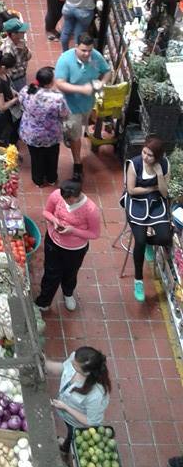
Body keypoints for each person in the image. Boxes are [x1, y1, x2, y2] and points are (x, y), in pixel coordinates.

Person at [35, 180, 101, 311]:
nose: (66, 203)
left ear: (77, 196)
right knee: (50, 273)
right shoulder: (57, 195)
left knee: (70, 273)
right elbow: (46, 212)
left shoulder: (91, 210)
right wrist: (54, 221)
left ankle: (68, 293)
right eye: (64, 199)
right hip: (53, 242)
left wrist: (73, 230)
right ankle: (44, 301)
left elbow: (94, 234)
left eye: (69, 200)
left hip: (75, 250)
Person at [54, 35, 111, 181]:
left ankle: (71, 135)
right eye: (83, 50)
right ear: (76, 47)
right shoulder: (65, 60)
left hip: (87, 104)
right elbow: (60, 83)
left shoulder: (96, 56)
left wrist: (102, 83)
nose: (87, 54)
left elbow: (107, 71)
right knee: (75, 136)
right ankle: (77, 164)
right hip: (70, 107)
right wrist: (81, 89)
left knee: (80, 127)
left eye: (89, 51)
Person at [124, 136, 172, 303]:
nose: (145, 157)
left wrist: (159, 174)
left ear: (157, 157)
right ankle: (138, 280)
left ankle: (147, 244)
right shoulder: (134, 164)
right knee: (140, 240)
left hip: (156, 203)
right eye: (144, 152)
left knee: (165, 237)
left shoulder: (164, 164)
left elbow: (165, 193)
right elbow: (131, 190)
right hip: (136, 203)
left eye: (150, 155)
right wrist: (151, 188)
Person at [46, 347, 111, 453]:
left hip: (75, 421)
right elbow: (63, 367)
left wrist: (66, 407)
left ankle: (65, 447)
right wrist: (46, 363)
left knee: (72, 435)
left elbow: (91, 422)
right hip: (63, 409)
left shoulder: (96, 395)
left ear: (87, 373)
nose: (71, 361)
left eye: (75, 365)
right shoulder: (76, 358)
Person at [19, 67, 70, 187]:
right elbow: (64, 114)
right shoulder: (57, 98)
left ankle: (38, 180)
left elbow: (21, 103)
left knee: (36, 158)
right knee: (52, 156)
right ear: (51, 82)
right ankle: (51, 178)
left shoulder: (26, 90)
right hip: (51, 135)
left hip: (31, 133)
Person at [1, 17, 32, 91]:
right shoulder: (7, 50)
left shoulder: (20, 41)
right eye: (21, 31)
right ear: (13, 34)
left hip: (22, 74)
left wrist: (24, 50)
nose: (24, 32)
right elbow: (7, 71)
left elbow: (28, 56)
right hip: (15, 79)